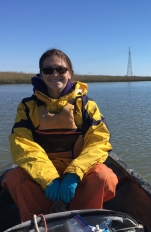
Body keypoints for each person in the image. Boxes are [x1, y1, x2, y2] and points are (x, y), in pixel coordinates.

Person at [1, 48, 118, 222]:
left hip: (79, 173)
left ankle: (85, 219)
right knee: (14, 178)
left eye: (61, 69)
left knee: (105, 176)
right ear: (41, 74)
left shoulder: (87, 105)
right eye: (48, 70)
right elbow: (22, 144)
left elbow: (99, 141)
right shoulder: (27, 107)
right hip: (43, 175)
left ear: (70, 73)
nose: (55, 74)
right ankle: (39, 223)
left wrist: (73, 174)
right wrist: (49, 178)